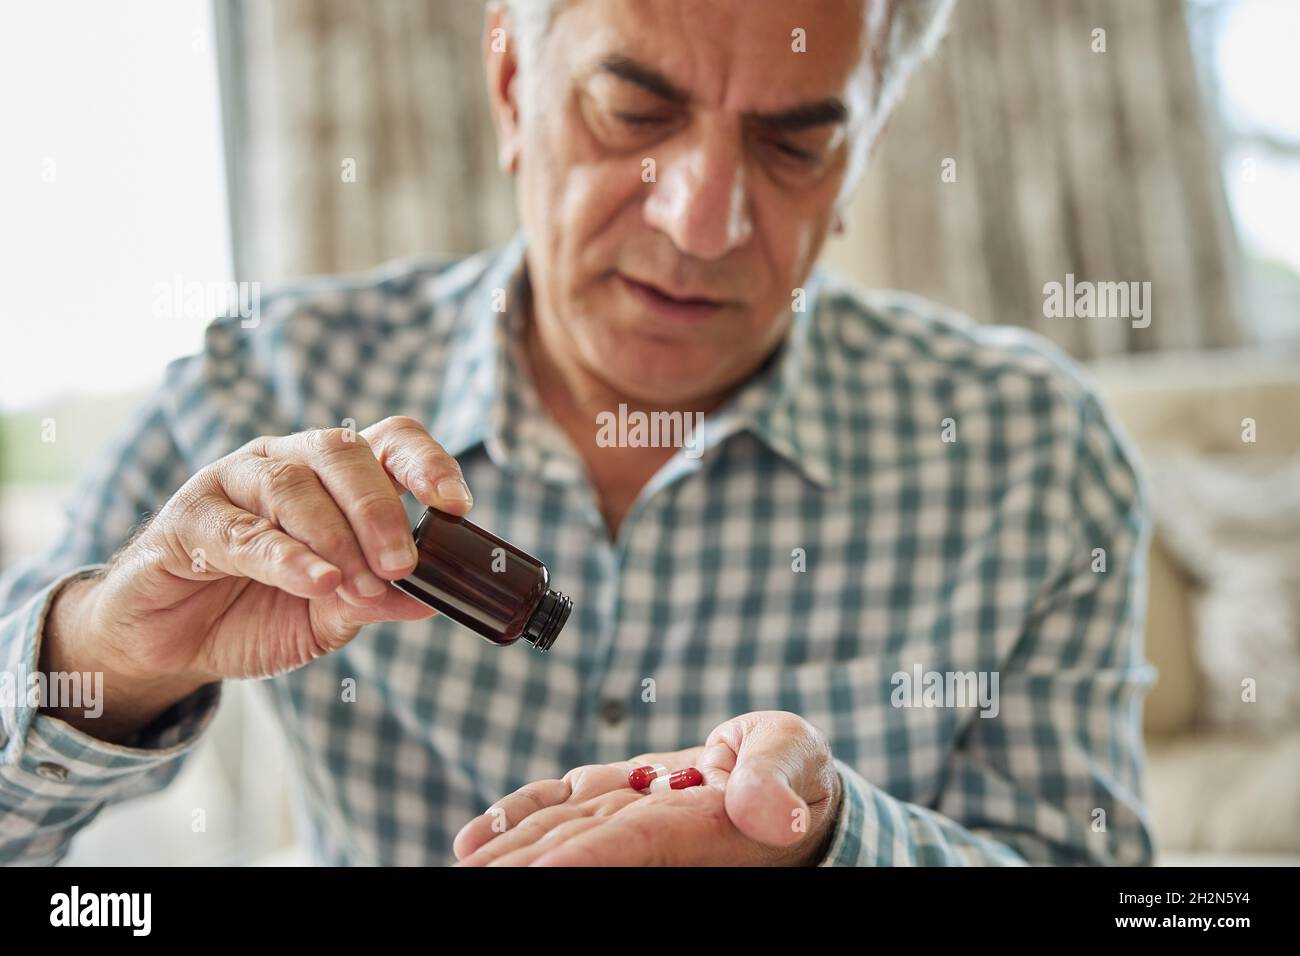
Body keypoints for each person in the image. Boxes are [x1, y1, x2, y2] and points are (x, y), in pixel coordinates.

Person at [0, 0, 1155, 866]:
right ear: (510, 83)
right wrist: (105, 650)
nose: (700, 219)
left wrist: (830, 846)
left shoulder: (1031, 450)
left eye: (794, 143)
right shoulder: (263, 380)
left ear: (862, 151)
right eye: (634, 112)